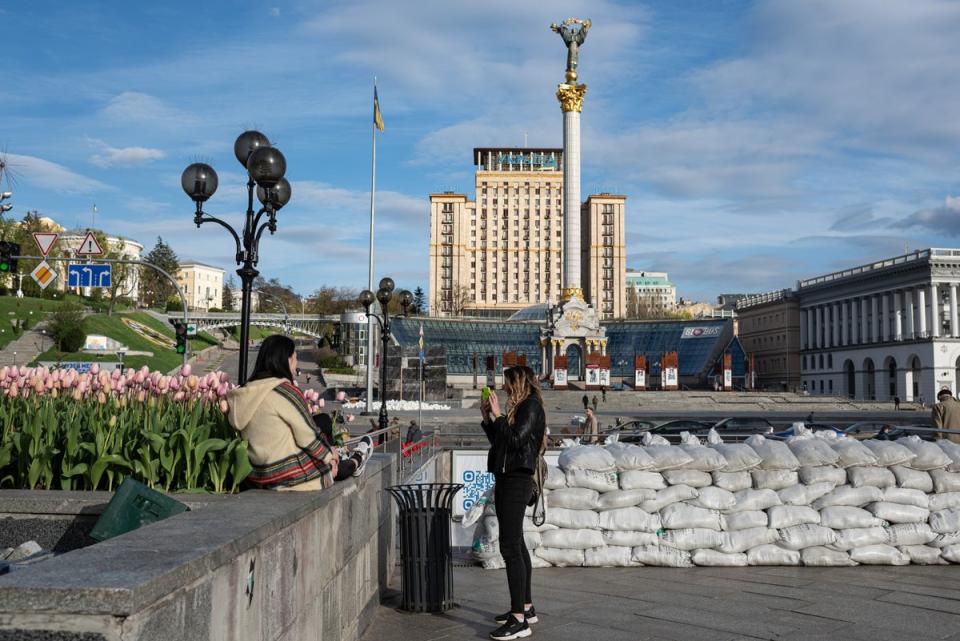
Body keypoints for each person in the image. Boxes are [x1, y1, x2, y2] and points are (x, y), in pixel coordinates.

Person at [226, 335, 370, 491]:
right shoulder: (284, 391)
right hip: (287, 475)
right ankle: (357, 459)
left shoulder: (245, 392)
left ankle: (345, 456)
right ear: (287, 360)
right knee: (331, 466)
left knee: (322, 421)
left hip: (258, 474)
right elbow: (307, 437)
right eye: (295, 358)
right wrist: (330, 457)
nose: (296, 365)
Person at [481, 366, 546, 640]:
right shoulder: (519, 407)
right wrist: (488, 419)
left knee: (509, 547)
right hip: (507, 476)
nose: (504, 389)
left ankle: (519, 619)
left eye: (508, 384)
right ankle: (526, 607)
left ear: (518, 383)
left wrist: (497, 417)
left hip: (517, 480)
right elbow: (502, 444)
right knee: (516, 542)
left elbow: (517, 441)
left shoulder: (530, 407)